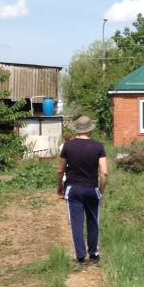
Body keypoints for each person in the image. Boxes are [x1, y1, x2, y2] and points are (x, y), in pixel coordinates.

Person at [57, 115, 108, 268]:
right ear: (90, 130)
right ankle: (94, 255)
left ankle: (80, 258)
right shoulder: (98, 147)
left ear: (77, 130)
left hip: (73, 189)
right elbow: (104, 172)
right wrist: (101, 189)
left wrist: (59, 186)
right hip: (92, 189)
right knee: (93, 221)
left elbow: (60, 170)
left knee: (76, 223)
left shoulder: (68, 146)